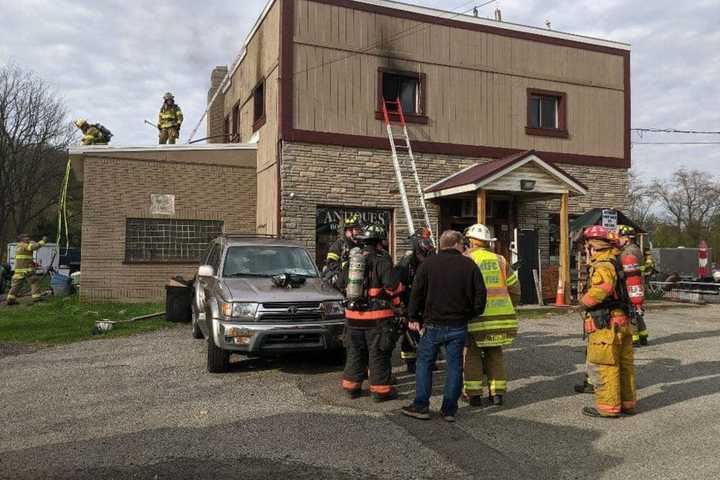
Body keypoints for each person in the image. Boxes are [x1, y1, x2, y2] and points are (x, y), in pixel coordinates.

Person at [401, 230, 486, 422]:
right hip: (458, 324)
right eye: (463, 244)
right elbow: (481, 296)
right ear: (456, 244)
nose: (465, 247)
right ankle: (449, 410)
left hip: (432, 324)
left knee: (424, 364)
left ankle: (421, 405)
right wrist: (471, 314)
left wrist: (413, 316)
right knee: (455, 367)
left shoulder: (428, 265)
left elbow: (416, 292)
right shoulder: (469, 266)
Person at [340, 224, 404, 402]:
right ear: (379, 243)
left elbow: (339, 283)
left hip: (353, 319)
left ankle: (352, 388)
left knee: (355, 353)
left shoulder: (354, 262)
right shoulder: (381, 261)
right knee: (378, 354)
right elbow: (394, 287)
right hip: (376, 320)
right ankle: (380, 391)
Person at [580, 225, 636, 418]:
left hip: (605, 323)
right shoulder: (618, 262)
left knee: (605, 364)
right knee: (624, 364)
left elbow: (601, 290)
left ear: (593, 245)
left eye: (587, 245)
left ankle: (608, 407)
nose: (586, 249)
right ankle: (627, 404)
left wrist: (583, 303)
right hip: (622, 320)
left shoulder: (603, 264)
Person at [463, 224, 520, 407]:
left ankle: (474, 395)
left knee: (471, 355)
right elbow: (515, 288)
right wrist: (510, 306)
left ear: (471, 241)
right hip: (501, 318)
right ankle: (497, 395)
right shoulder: (501, 260)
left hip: (475, 319)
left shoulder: (466, 259)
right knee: (495, 355)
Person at [397, 227, 436, 373]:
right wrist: (402, 305)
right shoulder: (407, 261)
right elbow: (400, 284)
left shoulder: (432, 259)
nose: (427, 244)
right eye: (424, 241)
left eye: (428, 241)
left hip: (428, 302)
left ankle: (429, 359)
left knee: (429, 333)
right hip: (410, 301)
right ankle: (410, 361)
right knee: (410, 332)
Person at [617, 225, 649, 346]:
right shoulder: (636, 249)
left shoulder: (628, 252)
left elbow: (626, 270)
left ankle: (634, 338)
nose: (619, 239)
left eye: (620, 237)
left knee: (630, 311)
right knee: (637, 309)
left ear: (627, 238)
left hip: (630, 284)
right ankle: (643, 336)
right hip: (637, 284)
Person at [6, 233, 47, 305]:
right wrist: (43, 241)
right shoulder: (25, 245)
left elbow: (25, 256)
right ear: (22, 239)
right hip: (27, 269)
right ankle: (36, 297)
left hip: (18, 270)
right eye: (26, 237)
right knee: (34, 281)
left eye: (28, 237)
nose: (28, 238)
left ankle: (10, 299)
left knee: (16, 285)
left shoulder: (19, 246)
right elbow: (33, 247)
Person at [323, 213, 362, 288]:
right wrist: (344, 269)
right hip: (342, 283)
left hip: (357, 282)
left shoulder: (361, 245)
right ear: (348, 230)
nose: (359, 232)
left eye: (359, 229)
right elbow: (331, 263)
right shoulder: (339, 244)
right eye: (356, 229)